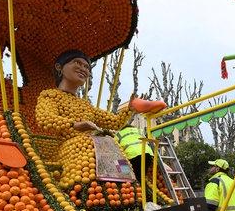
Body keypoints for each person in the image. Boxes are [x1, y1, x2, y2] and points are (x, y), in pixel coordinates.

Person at [35, 49, 165, 190]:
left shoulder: (85, 104)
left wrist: (131, 108)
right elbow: (44, 118)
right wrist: (75, 125)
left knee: (110, 144)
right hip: (68, 148)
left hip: (93, 145)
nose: (83, 69)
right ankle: (86, 191)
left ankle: (126, 189)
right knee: (89, 146)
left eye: (87, 67)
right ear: (59, 67)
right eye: (77, 63)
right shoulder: (50, 96)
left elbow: (114, 122)